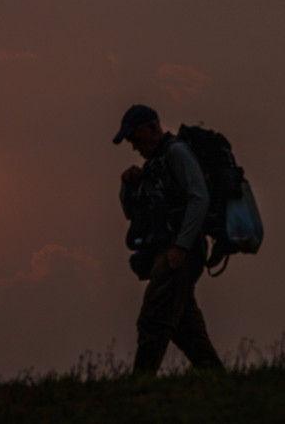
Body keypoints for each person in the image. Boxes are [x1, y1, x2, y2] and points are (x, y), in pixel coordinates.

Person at [113, 104, 224, 375]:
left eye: (135, 137)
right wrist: (127, 185)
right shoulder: (153, 165)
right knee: (187, 329)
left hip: (179, 251)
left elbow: (199, 198)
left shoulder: (176, 152)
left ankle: (140, 383)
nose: (133, 145)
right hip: (167, 249)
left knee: (154, 317)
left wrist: (181, 246)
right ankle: (217, 379)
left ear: (152, 127)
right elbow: (132, 213)